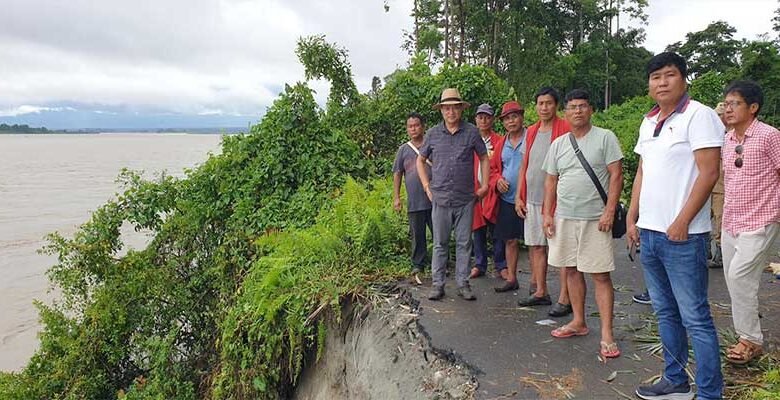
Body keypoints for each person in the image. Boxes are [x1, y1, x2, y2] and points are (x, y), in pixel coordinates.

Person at [627, 52, 724, 400]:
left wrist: (683, 220)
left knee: (695, 318)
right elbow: (642, 170)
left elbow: (709, 172)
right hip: (650, 233)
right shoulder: (648, 120)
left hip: (683, 236)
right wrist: (633, 215)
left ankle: (711, 393)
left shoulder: (699, 116)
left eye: (669, 75)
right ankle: (675, 380)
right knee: (665, 312)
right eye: (656, 77)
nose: (662, 82)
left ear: (684, 79)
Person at [542, 89, 623, 359]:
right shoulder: (558, 144)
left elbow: (616, 175)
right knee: (571, 270)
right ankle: (578, 321)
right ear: (565, 113)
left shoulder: (605, 138)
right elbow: (551, 181)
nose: (577, 111)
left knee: (600, 274)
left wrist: (609, 211)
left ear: (591, 110)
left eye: (583, 106)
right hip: (565, 216)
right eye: (572, 107)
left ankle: (607, 334)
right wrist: (547, 214)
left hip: (595, 219)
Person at [720, 80, 780, 365]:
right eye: (726, 104)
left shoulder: (770, 136)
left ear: (753, 108)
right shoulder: (728, 139)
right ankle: (746, 330)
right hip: (732, 221)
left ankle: (750, 340)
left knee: (739, 276)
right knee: (736, 280)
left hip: (761, 219)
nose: (727, 109)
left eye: (735, 104)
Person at [418, 88, 489, 301]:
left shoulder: (471, 132)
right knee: (440, 243)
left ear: (460, 109)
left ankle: (462, 283)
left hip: (465, 198)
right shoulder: (432, 134)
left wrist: (484, 184)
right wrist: (426, 186)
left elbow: (484, 157)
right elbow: (420, 160)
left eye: (454, 107)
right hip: (439, 198)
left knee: (464, 242)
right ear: (441, 110)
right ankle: (438, 284)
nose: (451, 112)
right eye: (446, 108)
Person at [514, 87, 573, 316]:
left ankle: (565, 298)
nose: (544, 107)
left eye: (548, 103)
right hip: (532, 198)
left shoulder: (565, 129)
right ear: (535, 106)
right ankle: (541, 291)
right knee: (536, 246)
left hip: (557, 201)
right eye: (540, 103)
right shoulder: (531, 131)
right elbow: (524, 165)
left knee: (559, 250)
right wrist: (520, 195)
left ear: (556, 105)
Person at [489, 101, 526, 292]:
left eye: (514, 116)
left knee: (536, 244)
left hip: (529, 199)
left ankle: (537, 284)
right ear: (503, 123)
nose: (511, 121)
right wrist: (497, 181)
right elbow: (494, 168)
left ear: (522, 117)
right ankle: (512, 278)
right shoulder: (501, 143)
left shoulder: (531, 138)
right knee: (510, 240)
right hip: (507, 199)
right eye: (507, 119)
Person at [393, 112, 433, 278]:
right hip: (414, 201)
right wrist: (396, 197)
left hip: (434, 199)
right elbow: (397, 173)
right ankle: (418, 264)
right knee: (417, 234)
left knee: (439, 232)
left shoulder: (431, 145)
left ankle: (441, 263)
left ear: (423, 127)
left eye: (416, 125)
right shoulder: (403, 150)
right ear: (407, 129)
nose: (414, 129)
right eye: (410, 126)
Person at [470, 104, 507, 279]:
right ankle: (480, 264)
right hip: (475, 191)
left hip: (492, 190)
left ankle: (501, 264)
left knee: (497, 228)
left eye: (487, 117)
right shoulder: (470, 140)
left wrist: (498, 180)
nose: (483, 120)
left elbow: (503, 165)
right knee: (477, 229)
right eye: (480, 117)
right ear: (475, 119)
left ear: (492, 119)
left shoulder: (499, 140)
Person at [708, 101, 728, 269]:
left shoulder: (732, 136)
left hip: (722, 187)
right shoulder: (710, 134)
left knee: (720, 218)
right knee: (702, 218)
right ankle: (706, 250)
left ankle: (720, 254)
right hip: (707, 185)